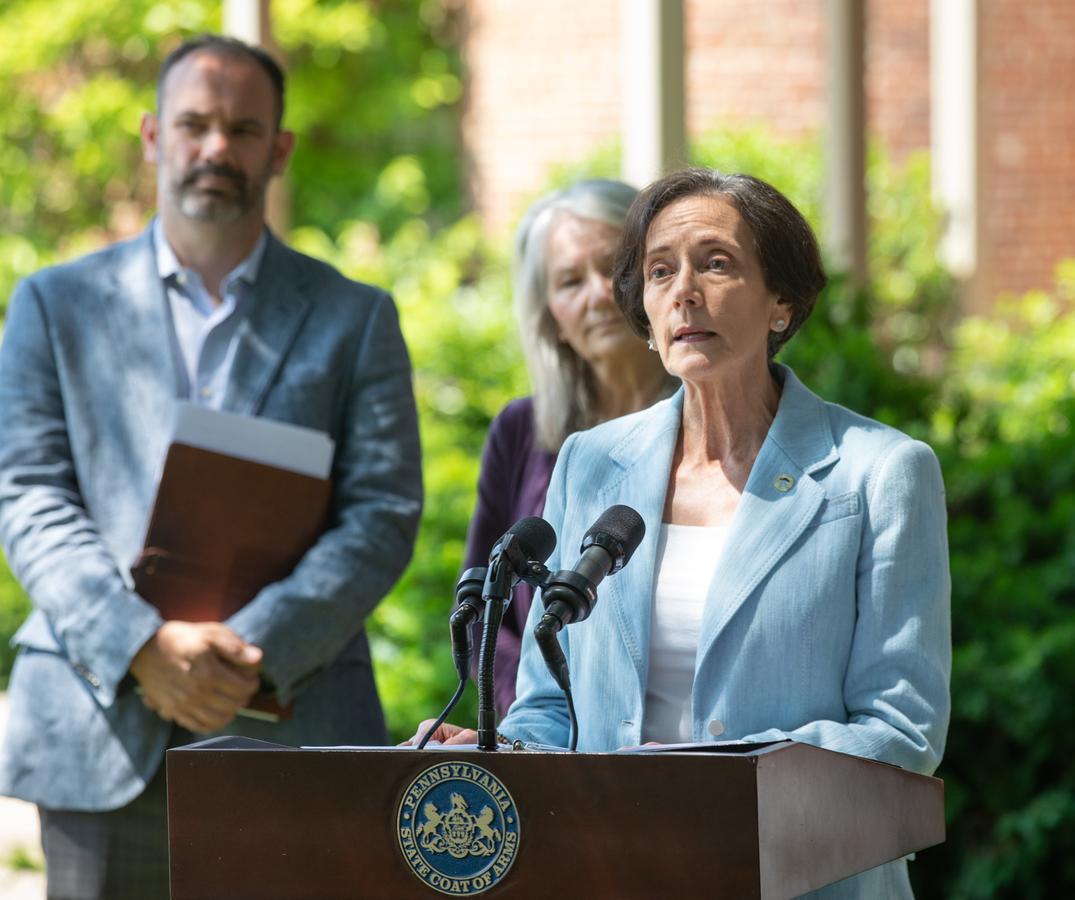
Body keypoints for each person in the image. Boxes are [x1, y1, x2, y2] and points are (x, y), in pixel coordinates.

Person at [414, 168, 950, 899]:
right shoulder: (590, 462)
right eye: (660, 271)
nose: (684, 292)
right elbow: (548, 708)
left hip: (808, 880)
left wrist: (705, 786)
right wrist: (494, 749)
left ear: (783, 303)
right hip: (615, 875)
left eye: (716, 263)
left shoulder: (880, 472)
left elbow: (900, 730)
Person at [0, 35, 422, 899]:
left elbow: (382, 512)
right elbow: (27, 493)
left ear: (280, 148)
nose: (216, 147)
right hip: (98, 721)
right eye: (194, 124)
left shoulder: (356, 318)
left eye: (243, 128)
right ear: (153, 137)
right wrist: (141, 645)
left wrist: (250, 653)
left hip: (292, 722)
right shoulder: (54, 304)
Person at [461, 179, 669, 716]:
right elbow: (484, 605)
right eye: (571, 281)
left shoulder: (715, 423)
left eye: (613, 267)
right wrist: (534, 721)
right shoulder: (520, 430)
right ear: (550, 316)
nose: (598, 294)